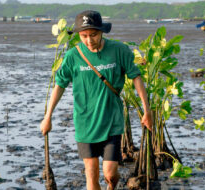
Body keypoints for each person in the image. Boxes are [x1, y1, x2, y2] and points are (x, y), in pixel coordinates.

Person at [40, 10, 153, 190]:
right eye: (84, 36)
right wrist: (48, 117)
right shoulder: (72, 57)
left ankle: (112, 186)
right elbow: (59, 85)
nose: (89, 40)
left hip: (112, 122)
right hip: (85, 123)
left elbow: (136, 77)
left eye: (93, 35)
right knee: (91, 176)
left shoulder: (119, 50)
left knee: (110, 174)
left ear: (102, 32)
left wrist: (147, 111)